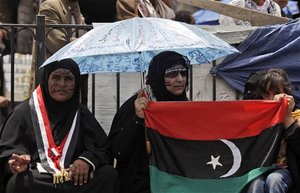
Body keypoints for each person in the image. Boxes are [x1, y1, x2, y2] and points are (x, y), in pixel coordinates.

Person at [0, 59, 119, 193]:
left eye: (68, 79)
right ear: (45, 80)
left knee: (108, 175)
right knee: (20, 182)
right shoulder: (23, 112)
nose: (62, 84)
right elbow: (6, 152)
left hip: (74, 178)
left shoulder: (81, 113)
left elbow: (103, 148)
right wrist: (17, 162)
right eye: (56, 78)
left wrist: (86, 160)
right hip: (40, 178)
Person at [108, 51, 190, 193]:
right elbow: (118, 151)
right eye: (171, 73)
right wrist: (138, 119)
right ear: (158, 76)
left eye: (183, 73)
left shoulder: (185, 106)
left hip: (178, 177)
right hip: (141, 180)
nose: (180, 79)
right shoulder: (136, 105)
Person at [242, 68, 300, 193]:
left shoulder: (296, 116)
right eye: (266, 93)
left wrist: (287, 117)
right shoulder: (256, 117)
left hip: (285, 170)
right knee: (255, 183)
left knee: (274, 180)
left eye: (276, 92)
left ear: (286, 93)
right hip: (258, 170)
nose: (272, 98)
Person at [36, 0, 88, 106]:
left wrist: (78, 42)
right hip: (54, 73)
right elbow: (58, 45)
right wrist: (79, 43)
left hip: (74, 76)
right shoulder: (50, 6)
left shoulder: (75, 6)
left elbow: (86, 39)